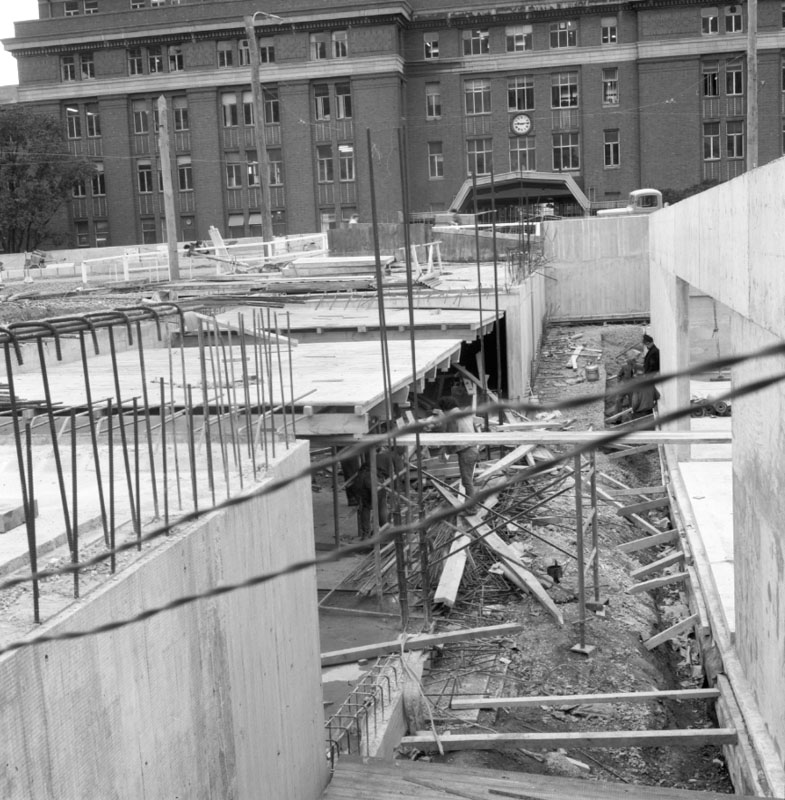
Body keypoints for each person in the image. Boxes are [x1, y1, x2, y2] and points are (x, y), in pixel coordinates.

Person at [438, 397, 480, 499]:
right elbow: (475, 431)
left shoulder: (452, 417)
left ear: (445, 409)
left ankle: (471, 508)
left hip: (466, 452)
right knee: (468, 480)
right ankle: (469, 504)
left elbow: (452, 436)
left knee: (467, 481)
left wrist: (446, 451)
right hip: (473, 448)